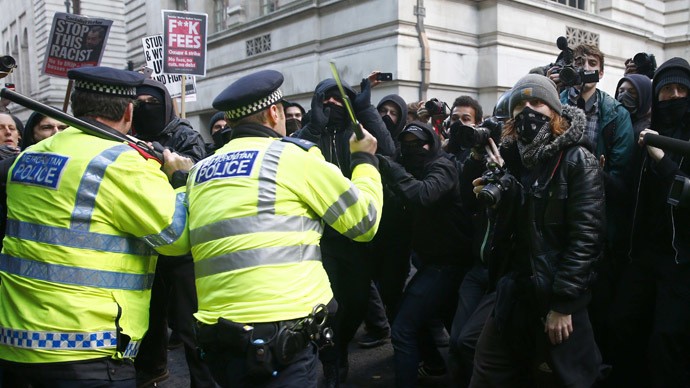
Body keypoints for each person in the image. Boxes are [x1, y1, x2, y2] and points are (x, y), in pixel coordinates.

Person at [188, 69, 383, 388]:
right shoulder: (295, 158)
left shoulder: (200, 171)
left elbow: (176, 243)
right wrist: (365, 161)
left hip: (219, 339)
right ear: (273, 112)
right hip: (282, 340)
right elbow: (364, 222)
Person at [0, 66, 193, 386]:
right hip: (86, 348)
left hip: (15, 344)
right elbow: (176, 238)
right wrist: (181, 181)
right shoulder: (122, 163)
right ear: (129, 112)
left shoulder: (28, 157)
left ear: (77, 104)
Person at [470, 74, 605, 387]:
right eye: (520, 105)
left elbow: (587, 237)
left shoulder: (576, 159)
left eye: (537, 102)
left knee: (573, 378)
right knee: (487, 370)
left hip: (555, 293)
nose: (528, 110)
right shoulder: (511, 157)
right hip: (514, 288)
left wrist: (563, 304)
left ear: (555, 110)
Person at [295, 73, 394, 386]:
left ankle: (339, 346)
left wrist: (365, 110)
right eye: (327, 98)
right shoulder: (309, 134)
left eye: (341, 98)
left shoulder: (358, 131)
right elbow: (292, 158)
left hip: (356, 236)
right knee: (328, 306)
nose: (333, 103)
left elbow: (388, 150)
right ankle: (333, 359)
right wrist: (314, 126)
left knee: (357, 302)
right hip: (321, 239)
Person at [609, 57, 690, 388]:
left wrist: (663, 160)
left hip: (681, 261)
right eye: (665, 90)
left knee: (666, 340)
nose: (672, 97)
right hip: (642, 255)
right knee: (621, 325)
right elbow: (627, 191)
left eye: (680, 90)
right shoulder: (645, 137)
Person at [130, 79, 213, 388]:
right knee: (148, 319)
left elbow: (201, 177)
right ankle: (152, 368)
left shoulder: (184, 135)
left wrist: (171, 166)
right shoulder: (126, 137)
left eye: (149, 103)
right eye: (136, 103)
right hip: (143, 239)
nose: (143, 109)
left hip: (180, 244)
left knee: (189, 323)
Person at [376, 121, 470, 388]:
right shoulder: (412, 169)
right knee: (455, 330)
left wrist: (390, 168)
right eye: (408, 145)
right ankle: (444, 367)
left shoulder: (442, 167)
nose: (415, 149)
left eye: (421, 143)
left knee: (404, 329)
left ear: (433, 143)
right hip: (434, 262)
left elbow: (424, 194)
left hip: (448, 264)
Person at [357, 94, 411, 349]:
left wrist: (366, 107)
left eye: (393, 113)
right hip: (373, 226)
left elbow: (387, 148)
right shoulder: (363, 141)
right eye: (383, 110)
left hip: (396, 229)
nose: (387, 116)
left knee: (393, 289)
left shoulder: (404, 144)